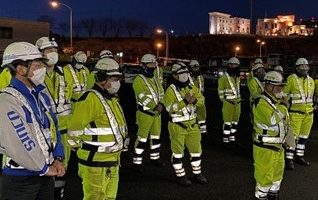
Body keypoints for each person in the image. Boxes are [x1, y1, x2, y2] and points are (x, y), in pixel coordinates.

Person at [0, 42, 65, 200]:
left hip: (45, 174)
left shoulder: (41, 95)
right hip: (20, 179)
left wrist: (58, 158)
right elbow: (21, 139)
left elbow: (53, 129)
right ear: (21, 69)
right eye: (37, 65)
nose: (42, 69)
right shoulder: (8, 101)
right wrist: (43, 168)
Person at [67, 58, 128, 200]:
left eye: (118, 78)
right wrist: (78, 147)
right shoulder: (90, 99)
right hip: (95, 163)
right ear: (101, 78)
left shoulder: (111, 99)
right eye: (113, 78)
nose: (117, 82)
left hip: (111, 161)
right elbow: (74, 128)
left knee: (109, 198)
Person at [36, 36, 73, 199]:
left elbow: (70, 98)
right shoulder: (34, 74)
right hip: (42, 132)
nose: (53, 54)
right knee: (42, 168)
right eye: (48, 51)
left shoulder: (64, 73)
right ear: (39, 53)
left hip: (64, 131)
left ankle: (59, 195)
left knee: (62, 169)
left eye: (55, 50)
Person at [163, 62, 207, 186]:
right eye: (181, 73)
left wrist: (195, 100)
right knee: (178, 153)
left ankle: (197, 173)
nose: (184, 76)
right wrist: (184, 102)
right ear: (175, 76)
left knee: (196, 151)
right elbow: (169, 108)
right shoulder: (170, 90)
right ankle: (181, 175)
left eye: (185, 73)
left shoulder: (191, 86)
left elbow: (202, 99)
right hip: (177, 126)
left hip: (193, 125)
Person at [253, 71, 292, 200]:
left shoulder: (276, 102)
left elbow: (284, 124)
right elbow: (272, 120)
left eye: (282, 86)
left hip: (278, 148)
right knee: (264, 181)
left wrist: (286, 139)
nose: (282, 89)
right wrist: (284, 106)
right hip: (265, 149)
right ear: (269, 86)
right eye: (279, 86)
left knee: (277, 179)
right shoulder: (260, 102)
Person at [132, 54, 165, 170]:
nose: (153, 66)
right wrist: (155, 106)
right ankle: (137, 162)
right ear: (144, 65)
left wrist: (161, 104)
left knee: (156, 138)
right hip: (145, 115)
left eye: (154, 64)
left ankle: (154, 158)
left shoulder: (155, 79)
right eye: (150, 64)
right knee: (142, 139)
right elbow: (141, 97)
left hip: (156, 115)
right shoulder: (138, 80)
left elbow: (161, 93)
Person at [283, 57, 315, 169]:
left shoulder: (311, 81)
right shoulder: (291, 79)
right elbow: (284, 95)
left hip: (309, 114)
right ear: (296, 68)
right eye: (301, 66)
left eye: (306, 66)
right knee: (292, 138)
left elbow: (311, 97)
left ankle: (299, 156)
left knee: (303, 137)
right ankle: (289, 159)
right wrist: (285, 108)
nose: (304, 68)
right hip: (295, 114)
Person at [218, 57, 241, 143]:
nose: (234, 66)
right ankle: (225, 138)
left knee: (235, 122)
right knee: (227, 122)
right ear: (229, 65)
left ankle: (232, 137)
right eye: (232, 65)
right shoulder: (224, 77)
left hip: (238, 103)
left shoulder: (237, 77)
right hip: (228, 102)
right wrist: (222, 100)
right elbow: (220, 89)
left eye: (236, 65)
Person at [188, 60, 207, 133]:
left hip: (200, 100)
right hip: (191, 100)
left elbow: (201, 89)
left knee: (202, 115)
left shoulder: (200, 77)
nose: (196, 69)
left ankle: (202, 131)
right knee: (191, 115)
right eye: (194, 67)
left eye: (197, 67)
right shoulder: (188, 77)